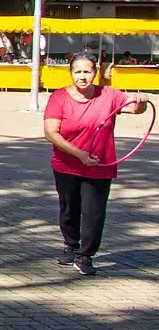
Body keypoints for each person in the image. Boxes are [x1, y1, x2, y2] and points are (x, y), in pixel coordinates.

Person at [43, 53, 149, 276]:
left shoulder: (109, 94)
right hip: (66, 164)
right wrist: (79, 154)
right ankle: (71, 245)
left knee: (94, 213)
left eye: (87, 72)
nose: (83, 77)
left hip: (100, 165)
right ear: (71, 73)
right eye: (78, 72)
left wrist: (141, 103)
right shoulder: (59, 97)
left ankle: (85, 255)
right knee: (69, 209)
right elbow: (51, 133)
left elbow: (134, 108)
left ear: (95, 72)